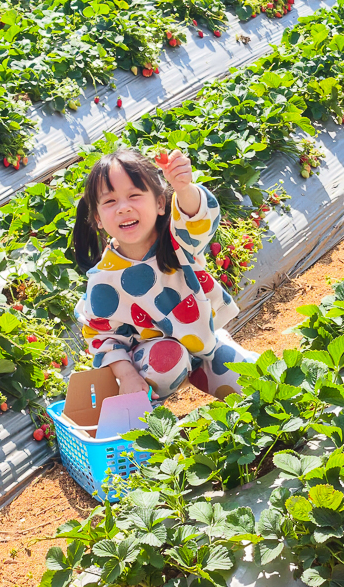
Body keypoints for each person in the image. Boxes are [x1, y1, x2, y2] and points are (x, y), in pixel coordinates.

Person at [72, 147, 256, 400]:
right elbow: (103, 337)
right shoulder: (104, 279)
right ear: (98, 218)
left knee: (258, 386)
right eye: (110, 201)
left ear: (160, 203)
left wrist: (183, 188)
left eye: (134, 195)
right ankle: (152, 407)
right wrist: (128, 376)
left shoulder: (178, 239)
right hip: (152, 361)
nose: (123, 208)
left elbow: (197, 219)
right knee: (167, 358)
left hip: (204, 343)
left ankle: (208, 363)